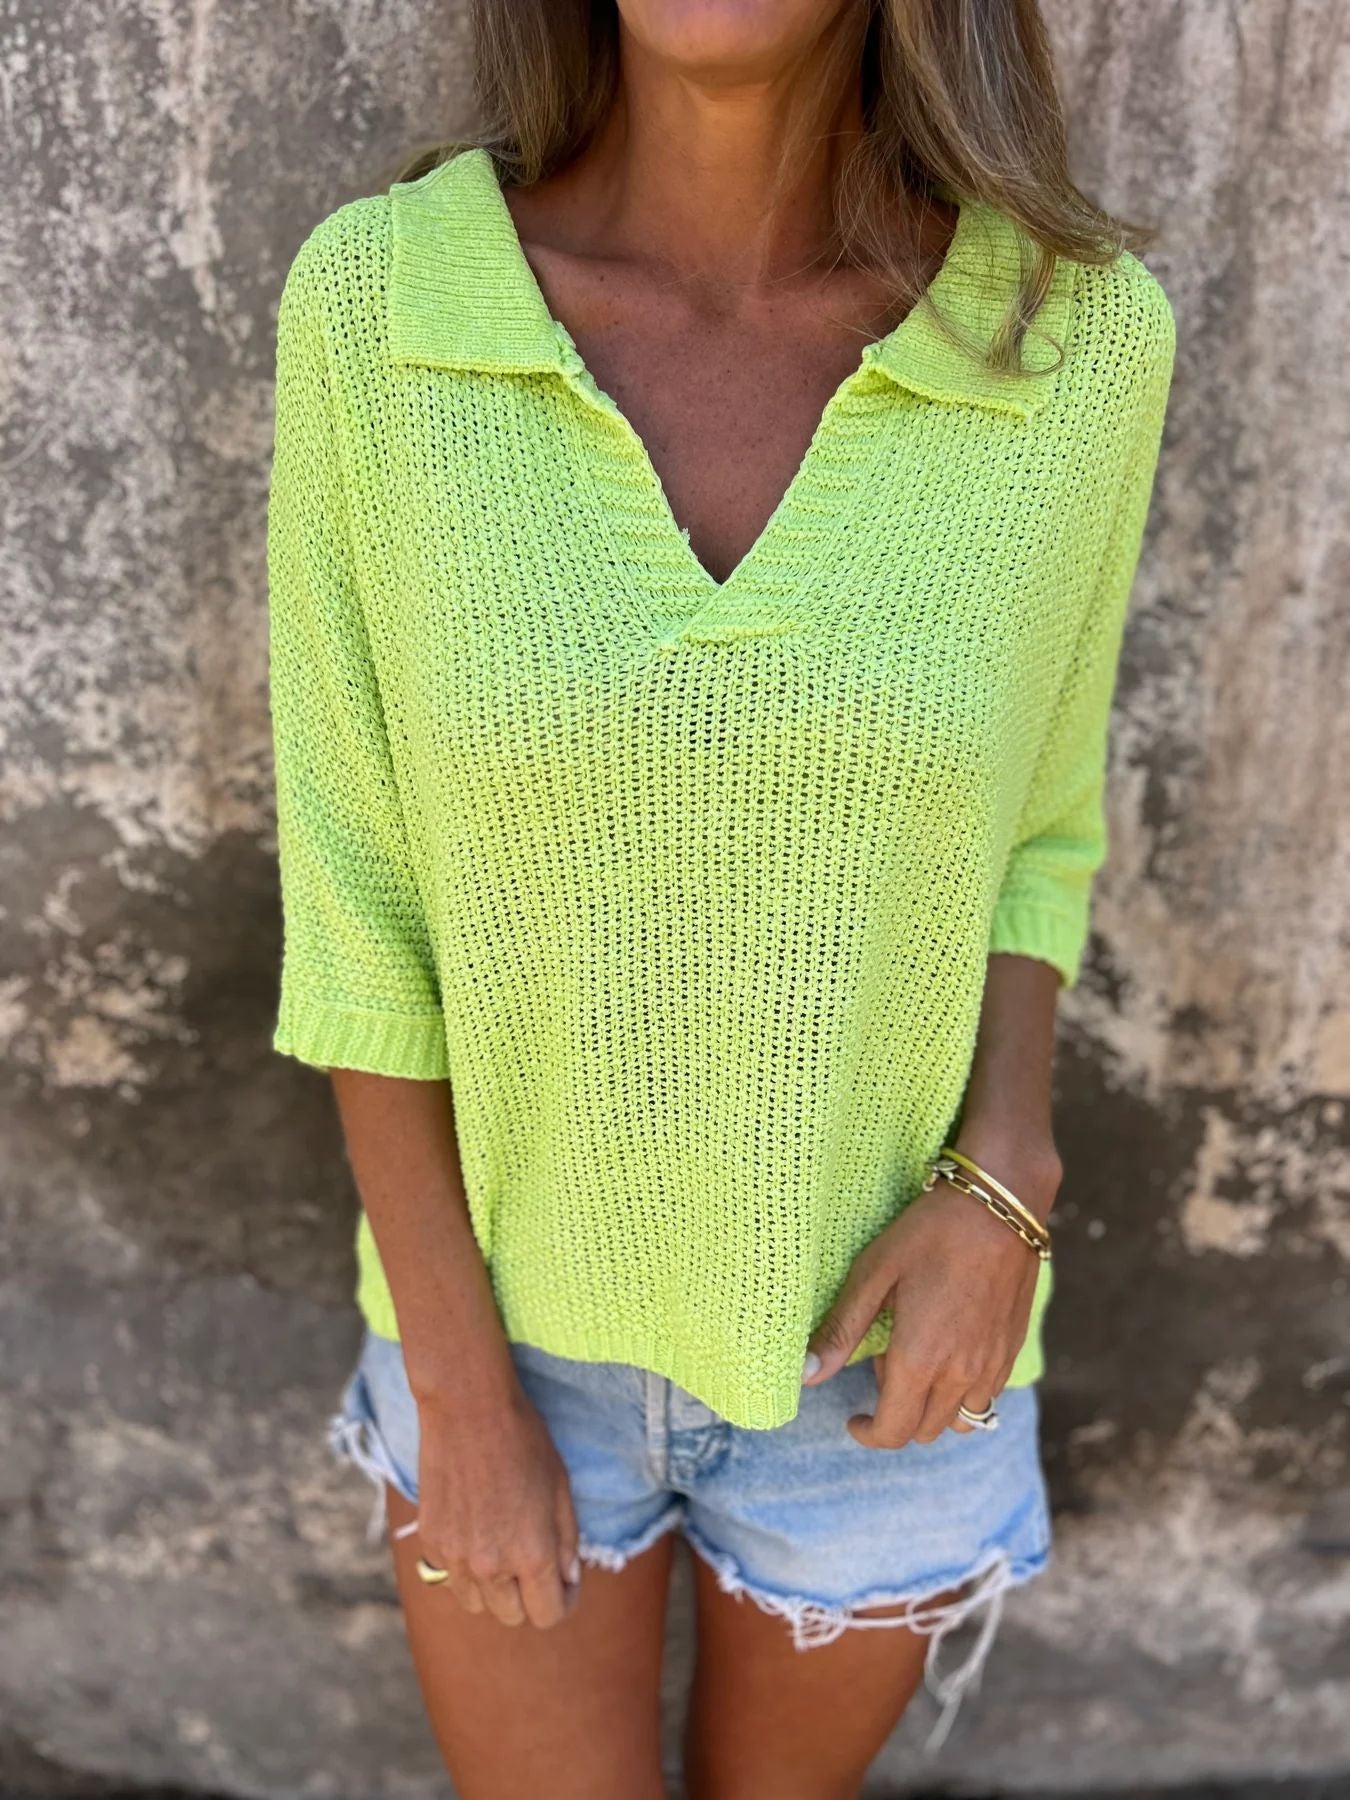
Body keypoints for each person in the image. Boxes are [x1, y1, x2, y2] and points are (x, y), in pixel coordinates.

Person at [265, 2, 1175, 1793]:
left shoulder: (1067, 338)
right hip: (497, 1331)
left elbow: (1036, 827)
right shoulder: (383, 306)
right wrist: (458, 1391)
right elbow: (357, 899)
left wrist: (1006, 1182)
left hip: (886, 1350)